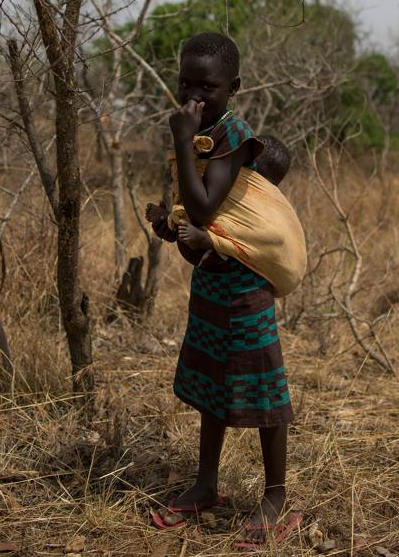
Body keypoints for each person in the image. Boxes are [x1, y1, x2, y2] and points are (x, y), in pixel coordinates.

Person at [144, 33, 302, 547]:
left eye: (207, 85)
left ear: (232, 87)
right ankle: (206, 485)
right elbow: (196, 216)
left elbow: (208, 208)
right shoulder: (202, 130)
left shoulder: (231, 134)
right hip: (212, 282)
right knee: (212, 385)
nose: (194, 93)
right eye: (186, 82)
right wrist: (171, 227)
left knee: (264, 391)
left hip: (244, 286)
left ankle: (275, 498)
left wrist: (179, 139)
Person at [170, 134, 291, 258]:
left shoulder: (265, 213)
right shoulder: (225, 194)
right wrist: (171, 225)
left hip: (238, 273)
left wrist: (206, 240)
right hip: (206, 273)